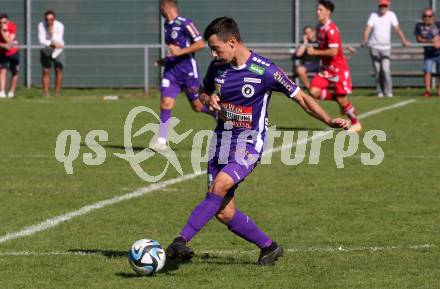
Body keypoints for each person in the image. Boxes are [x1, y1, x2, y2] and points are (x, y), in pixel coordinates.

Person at [165, 16, 350, 266]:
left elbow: (302, 98)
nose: (212, 53)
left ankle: (180, 240)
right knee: (223, 210)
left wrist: (328, 120)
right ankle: (269, 247)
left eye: (216, 48)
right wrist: (208, 98)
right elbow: (203, 91)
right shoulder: (217, 67)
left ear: (232, 42)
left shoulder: (266, 70)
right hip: (221, 141)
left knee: (219, 187)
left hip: (249, 144)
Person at [151, 0, 212, 152]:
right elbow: (174, 51)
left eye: (161, 7)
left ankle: (220, 116)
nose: (160, 10)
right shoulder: (167, 26)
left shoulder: (185, 23)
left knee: (198, 106)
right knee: (166, 103)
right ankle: (161, 141)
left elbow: (200, 44)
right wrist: (165, 60)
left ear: (165, 6)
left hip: (188, 72)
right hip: (171, 72)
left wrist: (179, 52)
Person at [307, 0, 362, 133]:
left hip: (339, 70)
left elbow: (334, 52)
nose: (317, 12)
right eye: (317, 9)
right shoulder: (319, 27)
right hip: (327, 69)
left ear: (328, 12)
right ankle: (339, 99)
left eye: (320, 9)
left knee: (343, 101)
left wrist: (314, 52)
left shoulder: (332, 30)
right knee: (313, 91)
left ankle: (356, 123)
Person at [362, 0, 410, 98]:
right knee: (378, 71)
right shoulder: (373, 15)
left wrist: (403, 41)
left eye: (385, 6)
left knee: (386, 70)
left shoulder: (391, 15)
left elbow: (397, 29)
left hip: (386, 48)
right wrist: (365, 40)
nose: (383, 8)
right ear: (379, 6)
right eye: (381, 6)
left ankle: (389, 92)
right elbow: (368, 29)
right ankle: (379, 92)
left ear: (388, 6)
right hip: (374, 48)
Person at [38, 10, 65, 97]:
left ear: (54, 19)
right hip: (46, 50)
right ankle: (46, 92)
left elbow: (58, 40)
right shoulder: (41, 25)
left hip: (58, 51)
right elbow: (41, 40)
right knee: (46, 71)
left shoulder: (60, 26)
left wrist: (51, 33)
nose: (49, 21)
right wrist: (51, 42)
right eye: (47, 19)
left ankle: (57, 93)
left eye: (51, 19)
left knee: (58, 70)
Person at [415, 8, 440, 98]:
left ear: (433, 17)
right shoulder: (419, 26)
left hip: (439, 53)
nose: (427, 18)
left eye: (429, 16)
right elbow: (419, 39)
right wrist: (431, 41)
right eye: (425, 16)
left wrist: (438, 42)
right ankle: (427, 91)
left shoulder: (438, 25)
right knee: (427, 71)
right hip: (428, 54)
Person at [0, 13, 19, 98]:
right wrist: (3, 45)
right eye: (1, 23)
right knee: (2, 71)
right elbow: (5, 44)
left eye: (5, 22)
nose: (3, 24)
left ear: (8, 21)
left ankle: (11, 92)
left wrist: (3, 32)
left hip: (13, 51)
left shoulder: (12, 26)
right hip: (2, 52)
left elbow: (10, 41)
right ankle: (2, 92)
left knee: (14, 71)